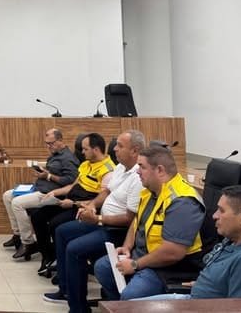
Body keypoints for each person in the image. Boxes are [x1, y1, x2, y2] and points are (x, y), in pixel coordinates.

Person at [43, 130, 146, 312]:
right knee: (62, 231)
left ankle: (78, 308)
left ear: (135, 150)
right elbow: (106, 191)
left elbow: (130, 219)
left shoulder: (138, 177)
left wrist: (97, 218)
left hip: (117, 230)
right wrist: (91, 206)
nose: (114, 149)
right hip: (102, 221)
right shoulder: (120, 167)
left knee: (74, 249)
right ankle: (65, 290)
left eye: (120, 146)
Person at [94, 145, 204, 301]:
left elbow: (172, 253)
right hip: (143, 255)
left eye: (142, 167)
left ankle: (127, 305)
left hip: (169, 267)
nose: (137, 171)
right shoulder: (150, 191)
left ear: (159, 170)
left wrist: (135, 264)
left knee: (131, 295)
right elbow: (137, 221)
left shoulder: (182, 202)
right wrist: (127, 246)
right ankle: (118, 306)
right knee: (103, 268)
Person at [140, 185, 241, 301]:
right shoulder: (238, 238)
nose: (214, 216)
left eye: (222, 210)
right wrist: (209, 285)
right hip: (196, 297)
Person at [15, 132, 114, 267]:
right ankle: (48, 255)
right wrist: (54, 192)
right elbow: (72, 186)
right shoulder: (86, 164)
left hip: (83, 206)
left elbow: (102, 199)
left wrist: (73, 204)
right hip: (71, 200)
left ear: (95, 150)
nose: (82, 152)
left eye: (85, 149)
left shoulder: (108, 170)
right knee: (38, 216)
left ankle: (62, 261)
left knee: (56, 224)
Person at [1, 128, 79, 250]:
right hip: (39, 188)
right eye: (47, 143)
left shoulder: (68, 158)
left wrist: (48, 176)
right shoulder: (55, 155)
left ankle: (28, 242)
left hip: (50, 193)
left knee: (17, 203)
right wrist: (45, 173)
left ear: (60, 140)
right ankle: (17, 235)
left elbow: (70, 181)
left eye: (51, 143)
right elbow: (55, 173)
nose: (48, 146)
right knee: (7, 195)